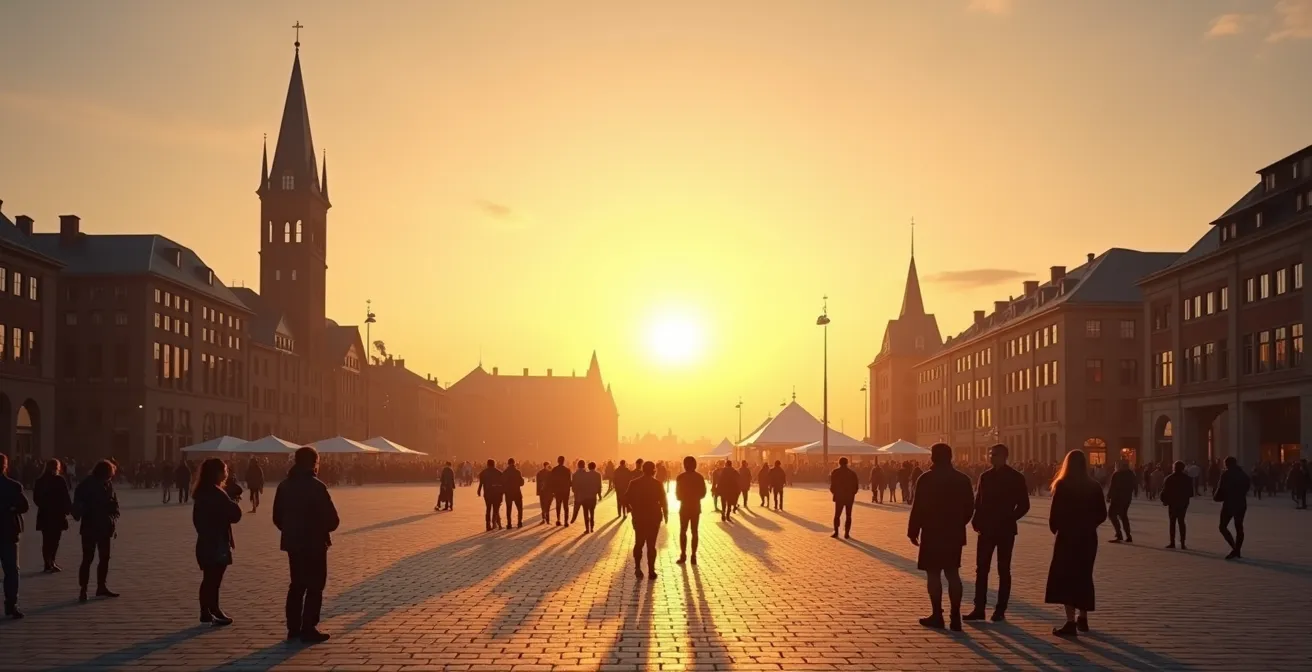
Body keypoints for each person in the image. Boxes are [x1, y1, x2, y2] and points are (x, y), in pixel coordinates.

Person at [273, 446, 339, 643]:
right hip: (315, 543)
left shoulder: (284, 486)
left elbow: (277, 517)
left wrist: (291, 530)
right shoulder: (317, 487)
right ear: (314, 463)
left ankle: (293, 627)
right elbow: (333, 520)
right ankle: (308, 626)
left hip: (293, 542)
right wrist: (321, 528)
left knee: (297, 584)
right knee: (315, 585)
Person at [907, 443, 974, 631]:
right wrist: (960, 523)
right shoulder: (962, 479)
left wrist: (913, 530)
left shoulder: (926, 479)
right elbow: (970, 507)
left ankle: (937, 614)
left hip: (932, 532)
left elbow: (917, 507)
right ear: (951, 457)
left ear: (933, 458)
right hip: (954, 532)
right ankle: (955, 616)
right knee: (953, 573)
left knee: (933, 573)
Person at [1045, 449, 1108, 637]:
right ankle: (1083, 617)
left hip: (1067, 537)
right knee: (1084, 576)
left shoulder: (1063, 485)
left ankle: (1070, 622)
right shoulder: (1094, 486)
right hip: (1088, 538)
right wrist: (1089, 525)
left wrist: (1057, 528)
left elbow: (1054, 515)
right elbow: (1102, 514)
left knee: (1066, 578)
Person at [964, 443, 1030, 623]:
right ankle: (979, 607)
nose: (991, 457)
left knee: (1003, 569)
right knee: (982, 569)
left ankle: (1000, 609)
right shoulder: (985, 476)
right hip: (985, 529)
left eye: (994, 454)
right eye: (990, 454)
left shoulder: (1015, 477)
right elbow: (979, 501)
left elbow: (1024, 504)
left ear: (1004, 456)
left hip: (1005, 530)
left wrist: (1010, 518)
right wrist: (976, 519)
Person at [193, 457, 243, 627]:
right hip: (217, 542)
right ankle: (215, 610)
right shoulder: (217, 493)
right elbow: (235, 515)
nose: (226, 473)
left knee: (208, 578)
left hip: (205, 540)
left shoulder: (202, 492)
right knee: (214, 579)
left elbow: (198, 520)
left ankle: (205, 611)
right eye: (225, 470)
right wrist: (233, 501)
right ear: (218, 473)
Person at [73, 459, 121, 603]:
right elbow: (77, 507)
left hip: (104, 527)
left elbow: (115, 506)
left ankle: (100, 586)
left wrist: (113, 517)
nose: (111, 477)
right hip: (91, 526)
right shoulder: (86, 485)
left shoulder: (107, 485)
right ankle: (84, 589)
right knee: (89, 558)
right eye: (110, 474)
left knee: (103, 558)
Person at [626, 461, 668, 579]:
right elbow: (663, 500)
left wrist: (632, 509)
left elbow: (626, 498)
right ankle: (651, 570)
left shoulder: (634, 483)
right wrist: (666, 514)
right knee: (651, 545)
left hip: (639, 516)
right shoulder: (657, 484)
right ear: (654, 470)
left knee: (639, 543)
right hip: (653, 517)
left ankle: (638, 568)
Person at [0, 454, 29, 618]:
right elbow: (24, 506)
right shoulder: (13, 486)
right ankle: (11, 605)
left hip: (8, 533)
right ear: (5, 466)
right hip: (9, 532)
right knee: (11, 571)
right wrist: (11, 509)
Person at [34, 459, 72, 573]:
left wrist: (44, 505)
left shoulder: (40, 480)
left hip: (45, 514)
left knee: (47, 539)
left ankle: (48, 562)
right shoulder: (59, 479)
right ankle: (52, 561)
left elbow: (36, 498)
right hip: (57, 514)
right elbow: (65, 496)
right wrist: (68, 509)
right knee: (55, 539)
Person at [1215, 456, 1250, 560]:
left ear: (1228, 464)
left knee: (1222, 526)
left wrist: (1217, 496)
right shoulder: (1243, 474)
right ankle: (1237, 549)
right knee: (1239, 526)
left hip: (1229, 503)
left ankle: (1234, 548)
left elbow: (1221, 488)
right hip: (1241, 502)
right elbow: (1247, 487)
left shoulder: (1226, 474)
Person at [675, 456, 707, 565]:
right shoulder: (699, 477)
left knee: (683, 531)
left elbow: (677, 495)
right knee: (695, 531)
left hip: (684, 507)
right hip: (695, 507)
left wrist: (684, 497)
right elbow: (703, 493)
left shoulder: (680, 477)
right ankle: (693, 555)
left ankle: (683, 554)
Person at [1161, 461, 1193, 550]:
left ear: (1174, 468)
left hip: (1172, 503)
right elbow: (1191, 493)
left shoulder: (1169, 478)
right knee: (1181, 522)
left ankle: (1172, 542)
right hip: (1183, 503)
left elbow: (1164, 492)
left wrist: (1164, 501)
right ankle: (1183, 543)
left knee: (1172, 522)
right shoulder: (1187, 479)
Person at [1106, 459, 1136, 544]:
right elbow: (1135, 484)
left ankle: (1119, 534)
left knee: (1112, 515)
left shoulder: (1117, 474)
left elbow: (1112, 486)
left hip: (1117, 499)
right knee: (1123, 516)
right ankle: (1128, 535)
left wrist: (1108, 496)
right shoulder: (1130, 474)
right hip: (1126, 499)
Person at [829, 457, 859, 539]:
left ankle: (836, 532)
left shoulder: (835, 472)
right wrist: (852, 493)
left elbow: (832, 486)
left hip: (839, 497)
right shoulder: (852, 473)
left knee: (837, 515)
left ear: (839, 463)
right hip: (849, 497)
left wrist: (835, 493)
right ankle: (847, 533)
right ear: (847, 463)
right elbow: (856, 486)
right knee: (848, 515)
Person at [477, 459, 504, 531]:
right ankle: (496, 523)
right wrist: (502, 492)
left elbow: (481, 483)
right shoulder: (499, 472)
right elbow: (502, 484)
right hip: (496, 493)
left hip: (487, 493)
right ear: (494, 464)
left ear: (487, 464)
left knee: (488, 509)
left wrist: (479, 490)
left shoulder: (483, 473)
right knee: (496, 509)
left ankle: (488, 525)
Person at [576, 462, 602, 533]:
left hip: (585, 496)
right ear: (595, 466)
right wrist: (599, 495)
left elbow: (581, 485)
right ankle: (592, 527)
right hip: (593, 496)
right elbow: (599, 486)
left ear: (588, 467)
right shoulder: (598, 475)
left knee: (585, 512)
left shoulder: (585, 475)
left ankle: (587, 528)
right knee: (592, 512)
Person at [503, 458, 525, 529]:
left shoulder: (505, 472)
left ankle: (509, 524)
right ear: (514, 463)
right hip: (517, 492)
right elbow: (521, 483)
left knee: (509, 509)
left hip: (508, 493)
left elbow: (502, 483)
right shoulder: (517, 472)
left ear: (508, 463)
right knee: (519, 508)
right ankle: (519, 522)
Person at [551, 456, 572, 527]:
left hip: (557, 490)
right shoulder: (567, 470)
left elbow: (552, 481)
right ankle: (566, 521)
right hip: (565, 490)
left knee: (558, 505)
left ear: (558, 461)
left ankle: (558, 519)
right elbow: (569, 481)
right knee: (566, 506)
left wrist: (553, 490)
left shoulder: (554, 470)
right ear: (564, 461)